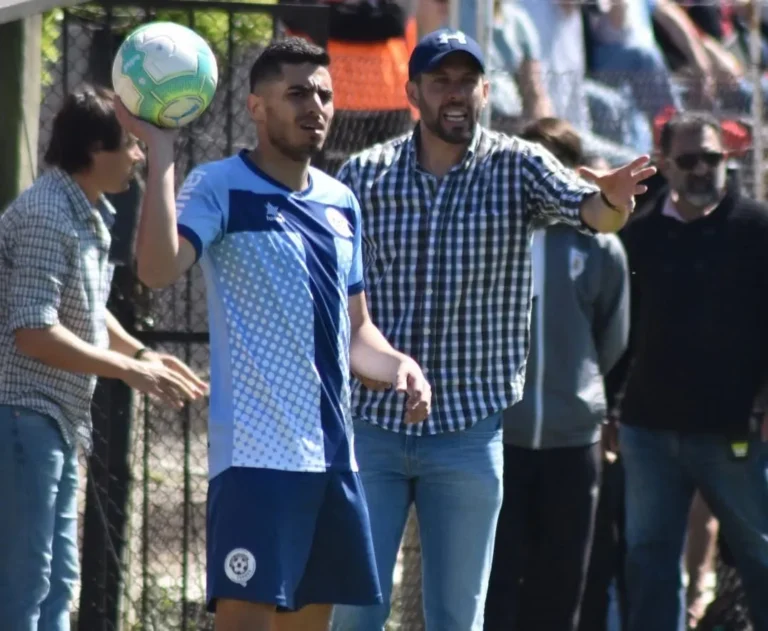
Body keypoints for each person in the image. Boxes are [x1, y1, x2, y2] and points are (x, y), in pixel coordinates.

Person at [330, 28, 654, 631]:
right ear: (413, 93)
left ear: (485, 91)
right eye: (439, 81)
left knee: (458, 617)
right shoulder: (363, 177)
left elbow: (587, 211)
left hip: (467, 435)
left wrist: (611, 202)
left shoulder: (517, 165)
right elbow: (333, 301)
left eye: (466, 82)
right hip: (371, 428)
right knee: (355, 614)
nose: (455, 94)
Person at [116, 37, 432, 631]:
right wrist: (161, 154)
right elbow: (156, 270)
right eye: (296, 93)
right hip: (257, 463)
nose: (314, 105)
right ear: (256, 107)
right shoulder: (219, 186)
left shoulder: (342, 202)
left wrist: (400, 367)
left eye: (323, 94)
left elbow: (357, 331)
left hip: (334, 464)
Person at [0, 84, 206, 631]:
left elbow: (86, 312)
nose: (141, 156)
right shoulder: (46, 214)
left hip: (57, 422)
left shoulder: (85, 209)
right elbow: (33, 331)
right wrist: (128, 370)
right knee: (23, 585)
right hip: (23, 417)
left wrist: (143, 354)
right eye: (132, 145)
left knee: (57, 582)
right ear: (95, 150)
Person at [614, 110, 768, 631]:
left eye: (712, 157)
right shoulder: (638, 237)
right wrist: (610, 410)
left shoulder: (758, 229)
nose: (702, 169)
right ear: (663, 163)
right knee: (649, 561)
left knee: (760, 555)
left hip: (736, 433)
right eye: (688, 160)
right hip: (649, 432)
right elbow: (621, 334)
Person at [483, 117, 630, 631]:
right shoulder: (493, 236)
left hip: (574, 442)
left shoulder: (600, 245)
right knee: (494, 579)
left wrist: (579, 388)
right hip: (500, 437)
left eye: (555, 165)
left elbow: (611, 336)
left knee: (561, 580)